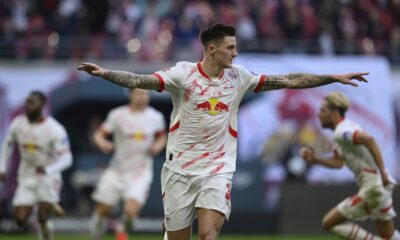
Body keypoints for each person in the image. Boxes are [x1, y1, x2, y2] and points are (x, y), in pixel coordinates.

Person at [78, 24, 368, 240]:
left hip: (217, 168)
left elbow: (289, 80)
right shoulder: (183, 75)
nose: (236, 53)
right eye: (230, 47)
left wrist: (331, 77)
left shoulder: (239, 77)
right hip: (179, 170)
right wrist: (106, 74)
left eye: (236, 47)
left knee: (207, 234)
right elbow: (141, 80)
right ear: (212, 48)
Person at [300, 92, 400, 240]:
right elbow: (338, 162)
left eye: (322, 110)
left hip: (373, 188)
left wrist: (384, 172)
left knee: (329, 223)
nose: (318, 114)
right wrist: (316, 159)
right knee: (389, 236)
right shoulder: (341, 132)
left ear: (334, 113)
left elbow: (369, 139)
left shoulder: (342, 131)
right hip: (379, 188)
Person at [89, 88, 167, 240]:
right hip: (116, 170)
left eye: (145, 93)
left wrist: (158, 145)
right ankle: (95, 236)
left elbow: (161, 137)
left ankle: (121, 231)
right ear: (130, 95)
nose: (142, 97)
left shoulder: (155, 117)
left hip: (140, 172)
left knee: (130, 212)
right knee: (102, 210)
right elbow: (98, 134)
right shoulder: (117, 115)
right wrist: (102, 143)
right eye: (139, 93)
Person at [0, 91, 72, 240]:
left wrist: (48, 169)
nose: (28, 106)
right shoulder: (18, 123)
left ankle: (45, 209)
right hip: (26, 175)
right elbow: (7, 145)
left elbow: (67, 158)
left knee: (42, 217)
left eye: (32, 102)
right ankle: (47, 204)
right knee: (20, 220)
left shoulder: (55, 129)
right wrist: (2, 167)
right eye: (26, 102)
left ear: (42, 105)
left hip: (48, 177)